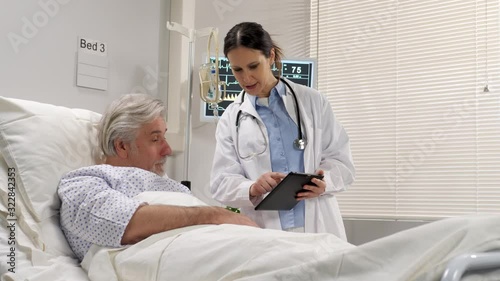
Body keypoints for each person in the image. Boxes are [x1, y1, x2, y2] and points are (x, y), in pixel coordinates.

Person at [58, 93, 258, 261]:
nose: (168, 149)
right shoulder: (83, 183)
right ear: (122, 146)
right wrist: (215, 215)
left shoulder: (174, 188)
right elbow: (125, 223)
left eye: (165, 137)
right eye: (155, 139)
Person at [210, 22, 355, 240]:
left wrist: (325, 182)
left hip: (318, 223)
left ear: (270, 56)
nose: (246, 78)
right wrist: (252, 187)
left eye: (253, 66)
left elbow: (342, 162)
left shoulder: (313, 102)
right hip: (265, 230)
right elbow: (221, 182)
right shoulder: (231, 118)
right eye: (237, 69)